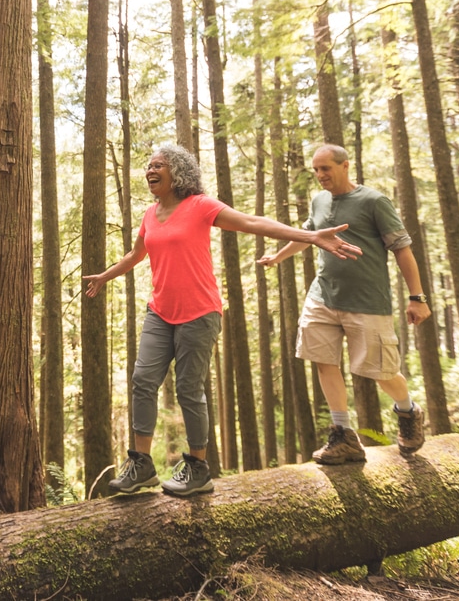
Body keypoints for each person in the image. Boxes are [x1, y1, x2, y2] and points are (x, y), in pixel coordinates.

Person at [84, 143, 361, 496]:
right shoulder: (150, 214)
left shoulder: (200, 206)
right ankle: (141, 463)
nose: (150, 170)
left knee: (188, 388)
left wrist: (309, 236)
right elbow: (136, 253)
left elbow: (251, 222)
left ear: (178, 172)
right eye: (148, 166)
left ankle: (197, 467)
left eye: (159, 165)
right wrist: (105, 276)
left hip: (199, 313)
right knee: (142, 379)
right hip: (160, 311)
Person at [258, 143, 431, 465]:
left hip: (367, 301)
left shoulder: (373, 201)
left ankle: (408, 411)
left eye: (326, 168)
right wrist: (278, 257)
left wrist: (417, 298)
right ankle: (343, 434)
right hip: (323, 295)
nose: (321, 175)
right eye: (316, 170)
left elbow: (402, 249)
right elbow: (310, 235)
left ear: (345, 166)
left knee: (381, 371)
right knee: (323, 360)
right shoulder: (319, 200)